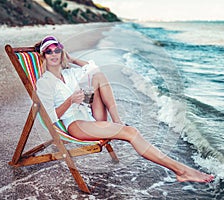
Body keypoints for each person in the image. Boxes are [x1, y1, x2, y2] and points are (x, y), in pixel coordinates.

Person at [36, 35, 214, 183]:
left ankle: (117, 121)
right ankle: (181, 171)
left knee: (98, 75)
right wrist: (69, 101)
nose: (53, 54)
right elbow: (48, 117)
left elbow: (94, 68)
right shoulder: (44, 82)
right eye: (48, 51)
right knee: (131, 133)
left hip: (88, 116)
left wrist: (72, 59)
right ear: (43, 56)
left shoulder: (69, 73)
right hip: (74, 124)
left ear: (61, 52)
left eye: (57, 50)